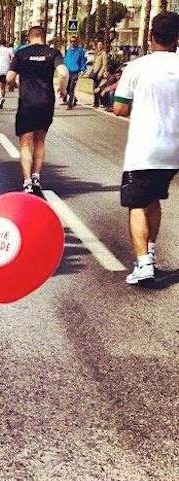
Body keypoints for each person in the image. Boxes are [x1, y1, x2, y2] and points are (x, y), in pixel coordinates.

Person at [114, 11, 179, 284]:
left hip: (145, 149)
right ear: (177, 38)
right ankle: (149, 253)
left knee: (137, 204)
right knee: (153, 198)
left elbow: (119, 108)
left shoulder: (137, 67)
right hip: (173, 150)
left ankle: (143, 265)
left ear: (150, 36)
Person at [6, 25, 68, 196]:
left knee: (26, 143)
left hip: (27, 103)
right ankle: (36, 178)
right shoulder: (52, 53)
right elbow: (63, 73)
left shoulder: (21, 53)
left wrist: (12, 84)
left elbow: (9, 77)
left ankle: (27, 182)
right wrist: (63, 90)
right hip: (46, 102)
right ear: (44, 37)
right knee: (40, 141)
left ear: (29, 38)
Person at [63, 35, 87, 109]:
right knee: (67, 88)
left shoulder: (80, 51)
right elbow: (65, 60)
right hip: (67, 72)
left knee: (71, 87)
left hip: (75, 72)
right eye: (71, 41)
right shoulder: (68, 50)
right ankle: (74, 98)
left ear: (77, 42)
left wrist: (83, 69)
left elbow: (82, 61)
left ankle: (70, 104)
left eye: (74, 41)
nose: (72, 43)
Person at [0, 41, 14, 109]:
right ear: (5, 44)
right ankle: (2, 99)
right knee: (3, 86)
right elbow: (13, 58)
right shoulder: (9, 50)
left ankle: (1, 98)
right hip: (6, 70)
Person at [90, 40, 108, 107]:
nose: (99, 46)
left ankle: (98, 103)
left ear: (103, 46)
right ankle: (97, 102)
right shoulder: (97, 53)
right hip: (95, 72)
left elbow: (104, 64)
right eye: (98, 45)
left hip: (99, 73)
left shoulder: (103, 53)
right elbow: (95, 63)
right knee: (95, 87)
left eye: (100, 45)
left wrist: (100, 73)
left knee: (97, 87)